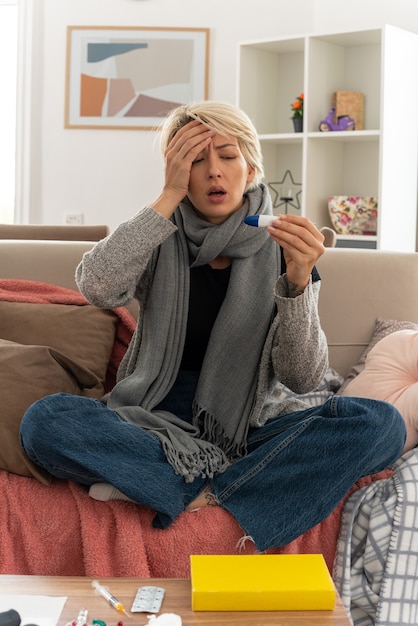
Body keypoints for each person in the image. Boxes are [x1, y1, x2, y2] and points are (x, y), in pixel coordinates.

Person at [20, 100, 406, 552]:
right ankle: (220, 488)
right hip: (148, 422)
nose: (213, 172)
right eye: (195, 159)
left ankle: (203, 490)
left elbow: (302, 377)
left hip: (244, 432)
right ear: (177, 171)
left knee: (382, 424)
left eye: (226, 155)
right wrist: (166, 197)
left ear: (251, 166)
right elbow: (98, 287)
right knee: (45, 422)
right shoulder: (157, 234)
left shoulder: (284, 247)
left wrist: (299, 282)